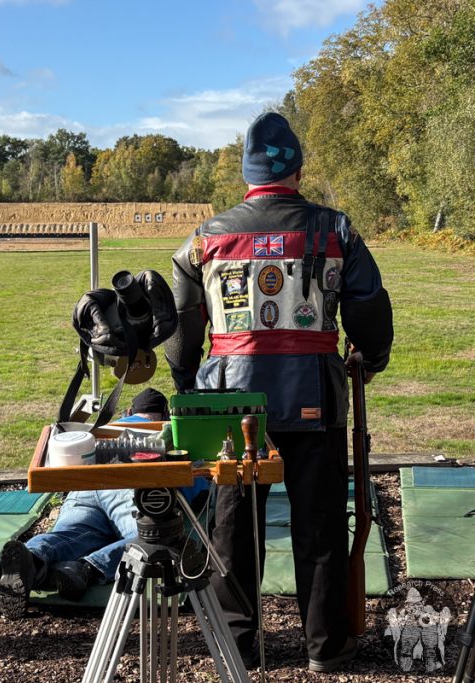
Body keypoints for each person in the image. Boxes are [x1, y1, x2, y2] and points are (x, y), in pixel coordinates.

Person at [164, 112, 393, 673]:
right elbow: (368, 306)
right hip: (315, 396)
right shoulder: (336, 230)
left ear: (247, 173)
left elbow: (181, 324)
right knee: (320, 524)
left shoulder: (206, 238)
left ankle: (236, 645)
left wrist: (187, 378)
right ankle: (326, 646)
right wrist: (370, 359)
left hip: (231, 399)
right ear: (298, 170)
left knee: (233, 527)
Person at [0, 388, 207, 619]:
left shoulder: (104, 428)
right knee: (152, 536)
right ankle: (88, 567)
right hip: (127, 485)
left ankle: (34, 557)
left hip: (84, 485)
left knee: (74, 534)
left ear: (128, 412)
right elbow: (196, 490)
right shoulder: (168, 434)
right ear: (165, 415)